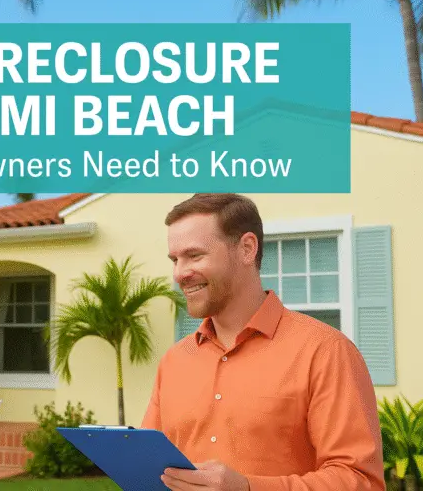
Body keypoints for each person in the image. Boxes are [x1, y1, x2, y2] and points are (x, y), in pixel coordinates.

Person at [142, 193, 385, 491]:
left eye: (194, 256)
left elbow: (361, 481)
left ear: (246, 248)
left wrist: (247, 487)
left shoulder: (326, 352)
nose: (179, 273)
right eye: (175, 260)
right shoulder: (174, 362)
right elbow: (148, 470)